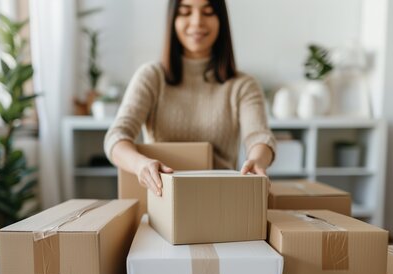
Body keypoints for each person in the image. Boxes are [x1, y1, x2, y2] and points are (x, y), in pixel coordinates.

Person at [104, 0, 276, 196]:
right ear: (173, 20)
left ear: (221, 19)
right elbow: (117, 136)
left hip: (221, 199)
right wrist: (140, 165)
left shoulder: (243, 85)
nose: (197, 22)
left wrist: (257, 160)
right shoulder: (151, 77)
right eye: (185, 12)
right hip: (162, 199)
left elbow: (259, 137)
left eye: (208, 12)